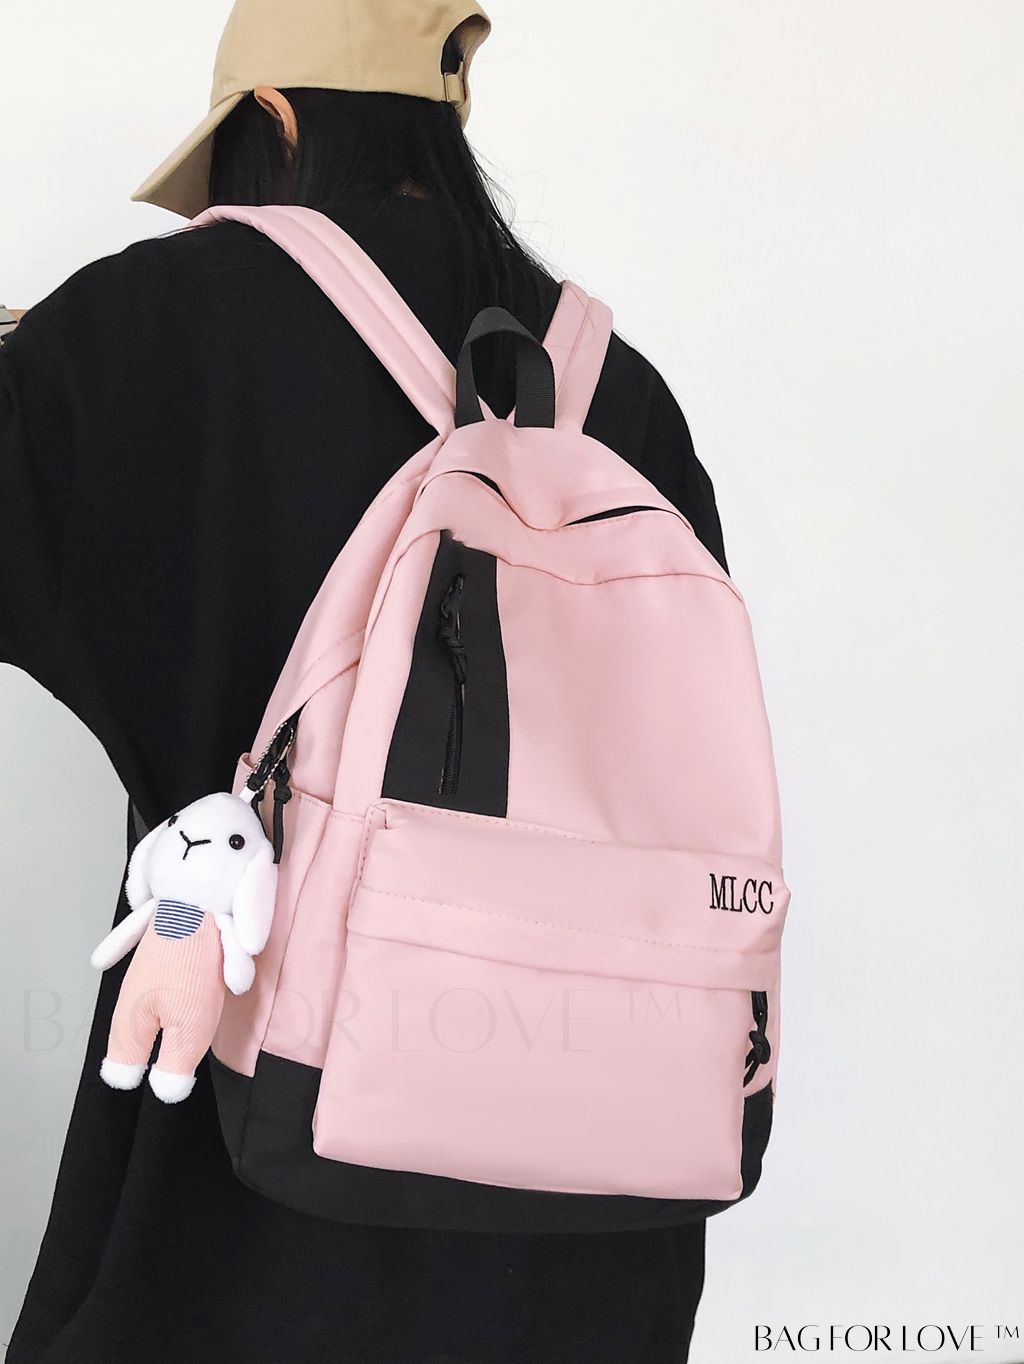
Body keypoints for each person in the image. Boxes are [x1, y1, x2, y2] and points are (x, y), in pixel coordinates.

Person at [1, 2, 727, 1360]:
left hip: (253, 1168)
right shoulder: (624, 395)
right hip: (593, 1207)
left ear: (269, 122)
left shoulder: (157, 325)